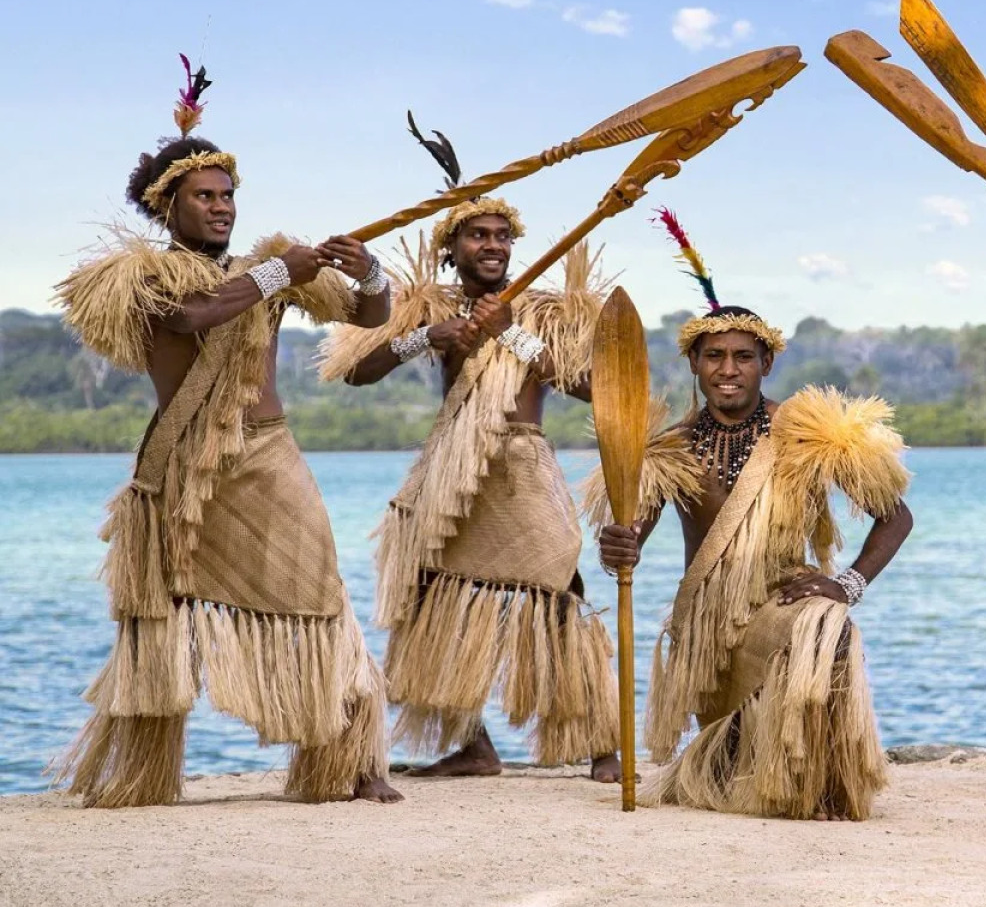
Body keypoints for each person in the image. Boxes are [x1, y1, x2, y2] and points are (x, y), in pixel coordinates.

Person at [53, 57, 399, 806]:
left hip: (267, 454)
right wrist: (279, 274)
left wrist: (369, 273)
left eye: (228, 196)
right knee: (161, 613)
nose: (221, 207)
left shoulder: (266, 264)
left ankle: (346, 760)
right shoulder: (136, 273)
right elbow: (193, 316)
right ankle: (145, 775)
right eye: (204, 196)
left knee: (321, 588)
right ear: (166, 205)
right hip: (181, 468)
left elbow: (370, 320)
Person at [319, 115, 620, 781]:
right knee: (433, 597)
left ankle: (603, 744)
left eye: (501, 236)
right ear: (451, 248)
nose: (491, 246)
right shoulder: (433, 306)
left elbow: (592, 389)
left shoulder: (540, 308)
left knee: (559, 586)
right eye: (477, 236)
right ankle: (474, 744)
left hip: (519, 461)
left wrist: (511, 335)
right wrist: (431, 338)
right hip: (452, 466)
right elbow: (360, 370)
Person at [591, 211, 913, 819]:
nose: (728, 370)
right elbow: (633, 532)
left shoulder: (810, 434)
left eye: (743, 356)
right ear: (694, 364)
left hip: (782, 602)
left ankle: (822, 780)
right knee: (731, 763)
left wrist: (846, 584)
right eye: (714, 356)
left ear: (766, 363)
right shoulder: (668, 447)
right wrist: (619, 546)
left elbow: (896, 517)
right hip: (705, 627)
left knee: (825, 626)